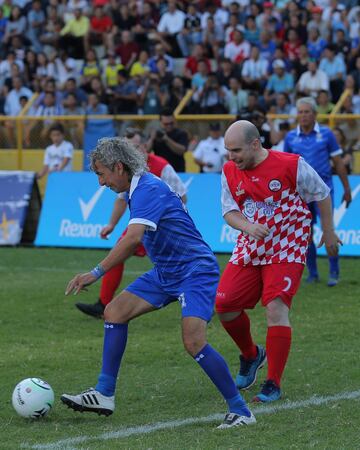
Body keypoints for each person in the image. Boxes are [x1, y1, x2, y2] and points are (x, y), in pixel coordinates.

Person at [61, 137, 256, 429]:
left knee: (193, 341)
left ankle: (241, 411)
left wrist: (95, 272)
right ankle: (104, 393)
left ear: (118, 167)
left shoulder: (148, 188)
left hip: (195, 270)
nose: (101, 182)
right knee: (114, 312)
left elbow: (132, 239)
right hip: (166, 271)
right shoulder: (136, 189)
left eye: (102, 174)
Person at [215, 120, 341, 404]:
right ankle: (251, 355)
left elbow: (322, 193)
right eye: (227, 151)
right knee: (224, 305)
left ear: (255, 144)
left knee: (276, 309)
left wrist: (329, 231)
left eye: (236, 150)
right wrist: (248, 227)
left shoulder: (290, 164)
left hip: (288, 247)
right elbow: (229, 212)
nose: (231, 157)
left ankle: (273, 383)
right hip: (250, 245)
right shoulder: (229, 171)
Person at [76, 127, 187, 318]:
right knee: (120, 252)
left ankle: (206, 297)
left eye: (134, 146)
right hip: (141, 225)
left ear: (144, 146)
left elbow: (182, 197)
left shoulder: (160, 168)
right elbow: (121, 199)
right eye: (127, 147)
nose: (130, 151)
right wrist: (111, 224)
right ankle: (103, 304)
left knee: (178, 263)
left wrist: (161, 217)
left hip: (158, 227)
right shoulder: (127, 174)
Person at [284, 97, 352, 286]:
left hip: (324, 191)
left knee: (328, 231)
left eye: (307, 112)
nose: (303, 115)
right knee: (305, 235)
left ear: (315, 114)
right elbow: (285, 167)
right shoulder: (290, 137)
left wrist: (347, 189)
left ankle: (334, 271)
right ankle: (312, 273)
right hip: (301, 194)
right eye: (300, 112)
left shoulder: (327, 134)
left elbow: (338, 163)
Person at [147, 108, 189, 172]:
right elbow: (146, 151)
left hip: (177, 170)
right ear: (160, 122)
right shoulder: (156, 134)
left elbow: (182, 151)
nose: (169, 126)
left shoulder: (181, 133)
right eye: (166, 124)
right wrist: (152, 139)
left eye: (171, 123)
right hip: (160, 171)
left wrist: (167, 139)